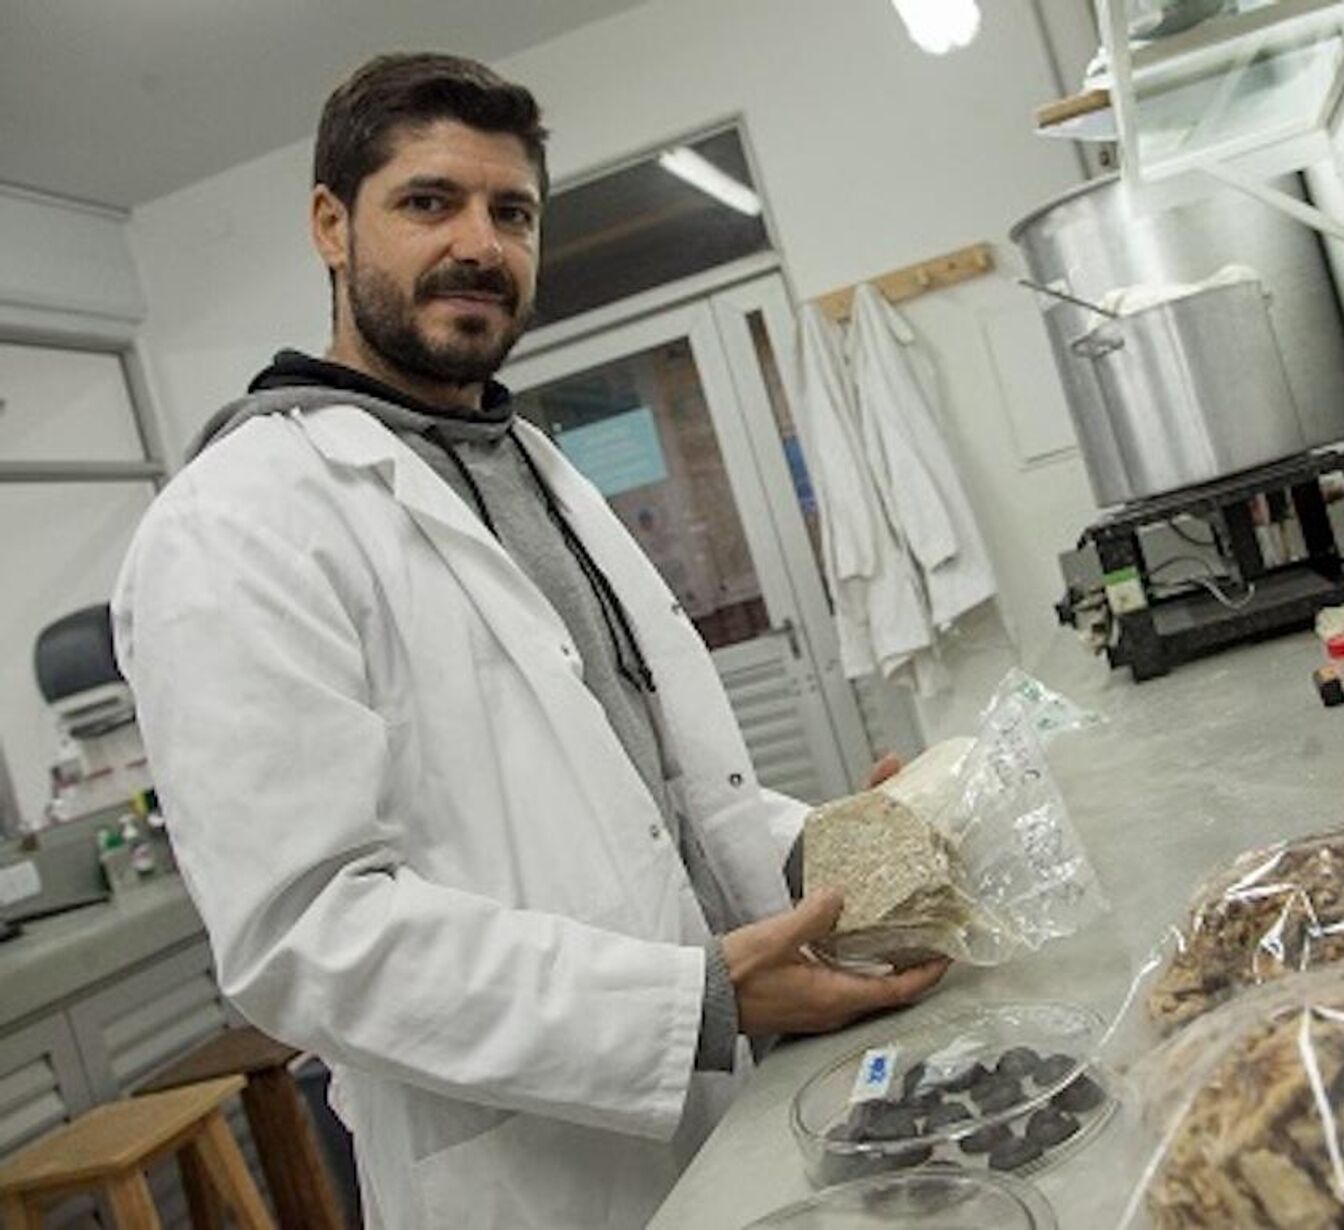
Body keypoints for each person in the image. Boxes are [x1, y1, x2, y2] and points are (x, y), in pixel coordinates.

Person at [112, 52, 946, 1228]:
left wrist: (832, 854)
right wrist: (695, 1001)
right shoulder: (235, 522)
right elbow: (308, 937)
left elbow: (653, 791)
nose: (480, 244)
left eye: (512, 212)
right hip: (536, 1176)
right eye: (427, 202)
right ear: (329, 226)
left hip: (741, 1110)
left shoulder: (531, 467)